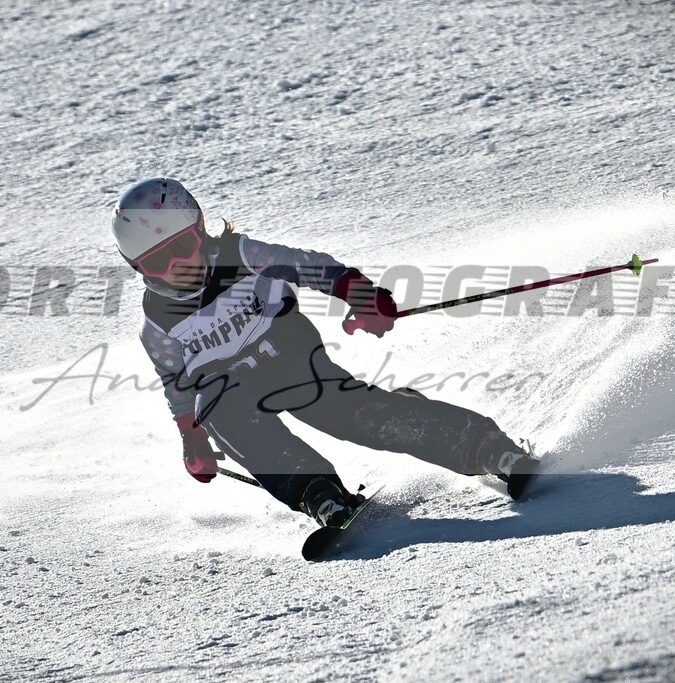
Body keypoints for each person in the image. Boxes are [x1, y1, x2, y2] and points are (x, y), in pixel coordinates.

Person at [111, 177, 538, 528]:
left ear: (200, 228)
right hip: (232, 390)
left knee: (349, 415)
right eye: (157, 262)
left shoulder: (242, 255)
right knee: (218, 410)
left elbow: (307, 266)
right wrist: (193, 438)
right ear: (138, 269)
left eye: (182, 248)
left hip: (290, 360)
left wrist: (361, 294)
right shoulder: (157, 324)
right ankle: (316, 492)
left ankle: (482, 446)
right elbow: (178, 385)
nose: (177, 267)